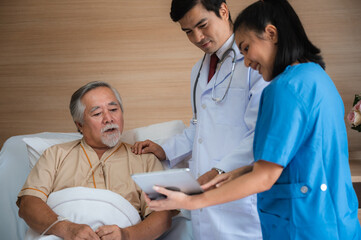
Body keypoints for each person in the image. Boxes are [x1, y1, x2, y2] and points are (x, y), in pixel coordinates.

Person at [143, 0, 361, 239]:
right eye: (188, 32)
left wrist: (193, 199)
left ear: (271, 33)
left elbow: (266, 169)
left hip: (302, 220)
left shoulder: (284, 87)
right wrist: (237, 172)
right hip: (327, 217)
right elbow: (297, 153)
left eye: (246, 48)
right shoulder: (315, 76)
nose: (246, 61)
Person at [132, 0, 267, 239]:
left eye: (202, 25)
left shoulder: (254, 62)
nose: (197, 37)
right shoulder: (199, 70)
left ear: (223, 11)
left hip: (240, 193)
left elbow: (261, 132)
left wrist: (218, 170)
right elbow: (201, 127)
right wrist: (165, 149)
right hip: (204, 193)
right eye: (188, 32)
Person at [17, 81, 172, 240]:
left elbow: (163, 216)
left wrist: (126, 235)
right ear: (80, 125)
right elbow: (28, 204)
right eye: (97, 113)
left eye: (113, 110)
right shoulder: (55, 154)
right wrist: (67, 229)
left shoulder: (145, 159)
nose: (109, 118)